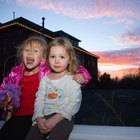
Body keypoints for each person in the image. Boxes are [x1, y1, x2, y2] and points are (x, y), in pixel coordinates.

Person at [0, 35, 91, 140]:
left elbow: (73, 67)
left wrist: (82, 76)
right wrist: (6, 99)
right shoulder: (16, 72)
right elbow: (4, 89)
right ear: (22, 54)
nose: (30, 53)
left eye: (35, 50)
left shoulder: (47, 70)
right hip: (17, 116)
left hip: (34, 116)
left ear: (43, 57)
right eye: (27, 50)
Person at [25, 37, 82, 140]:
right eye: (52, 56)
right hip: (43, 117)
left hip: (64, 117)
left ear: (70, 59)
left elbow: (75, 103)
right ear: (47, 59)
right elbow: (39, 100)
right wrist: (38, 118)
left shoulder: (73, 79)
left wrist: (56, 119)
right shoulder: (45, 80)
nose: (56, 61)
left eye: (62, 57)